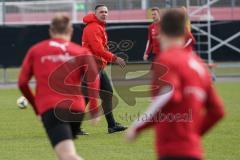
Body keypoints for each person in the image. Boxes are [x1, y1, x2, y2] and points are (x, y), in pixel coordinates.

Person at [126, 9, 225, 160]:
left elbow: (170, 95)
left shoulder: (166, 60)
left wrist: (138, 126)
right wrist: (193, 134)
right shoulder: (199, 66)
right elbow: (218, 111)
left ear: (161, 31)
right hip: (194, 151)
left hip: (171, 151)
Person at [18, 13, 100, 160]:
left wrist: (37, 108)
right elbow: (93, 78)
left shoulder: (36, 50)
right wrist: (93, 107)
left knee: (67, 155)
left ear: (50, 30)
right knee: (63, 153)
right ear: (70, 31)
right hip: (76, 110)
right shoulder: (81, 51)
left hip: (53, 109)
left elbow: (22, 83)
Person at [81, 4, 127, 134]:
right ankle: (73, 127)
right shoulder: (93, 27)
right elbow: (98, 49)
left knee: (106, 95)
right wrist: (115, 58)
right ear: (95, 14)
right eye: (101, 12)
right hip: (91, 66)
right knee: (86, 97)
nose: (104, 14)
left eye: (106, 12)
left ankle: (112, 125)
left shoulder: (98, 26)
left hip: (97, 66)